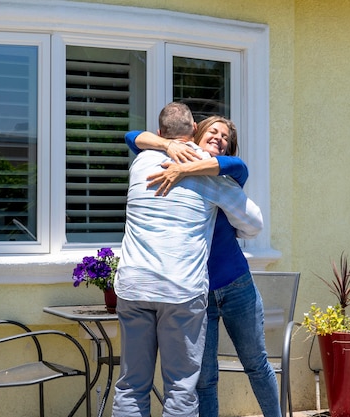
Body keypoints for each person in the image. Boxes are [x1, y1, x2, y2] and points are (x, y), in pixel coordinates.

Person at [112, 103, 263, 417]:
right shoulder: (209, 171)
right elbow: (253, 224)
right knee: (181, 388)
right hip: (181, 291)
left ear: (158, 133)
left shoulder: (140, 162)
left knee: (130, 386)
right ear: (195, 131)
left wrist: (166, 146)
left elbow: (133, 137)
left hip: (133, 286)